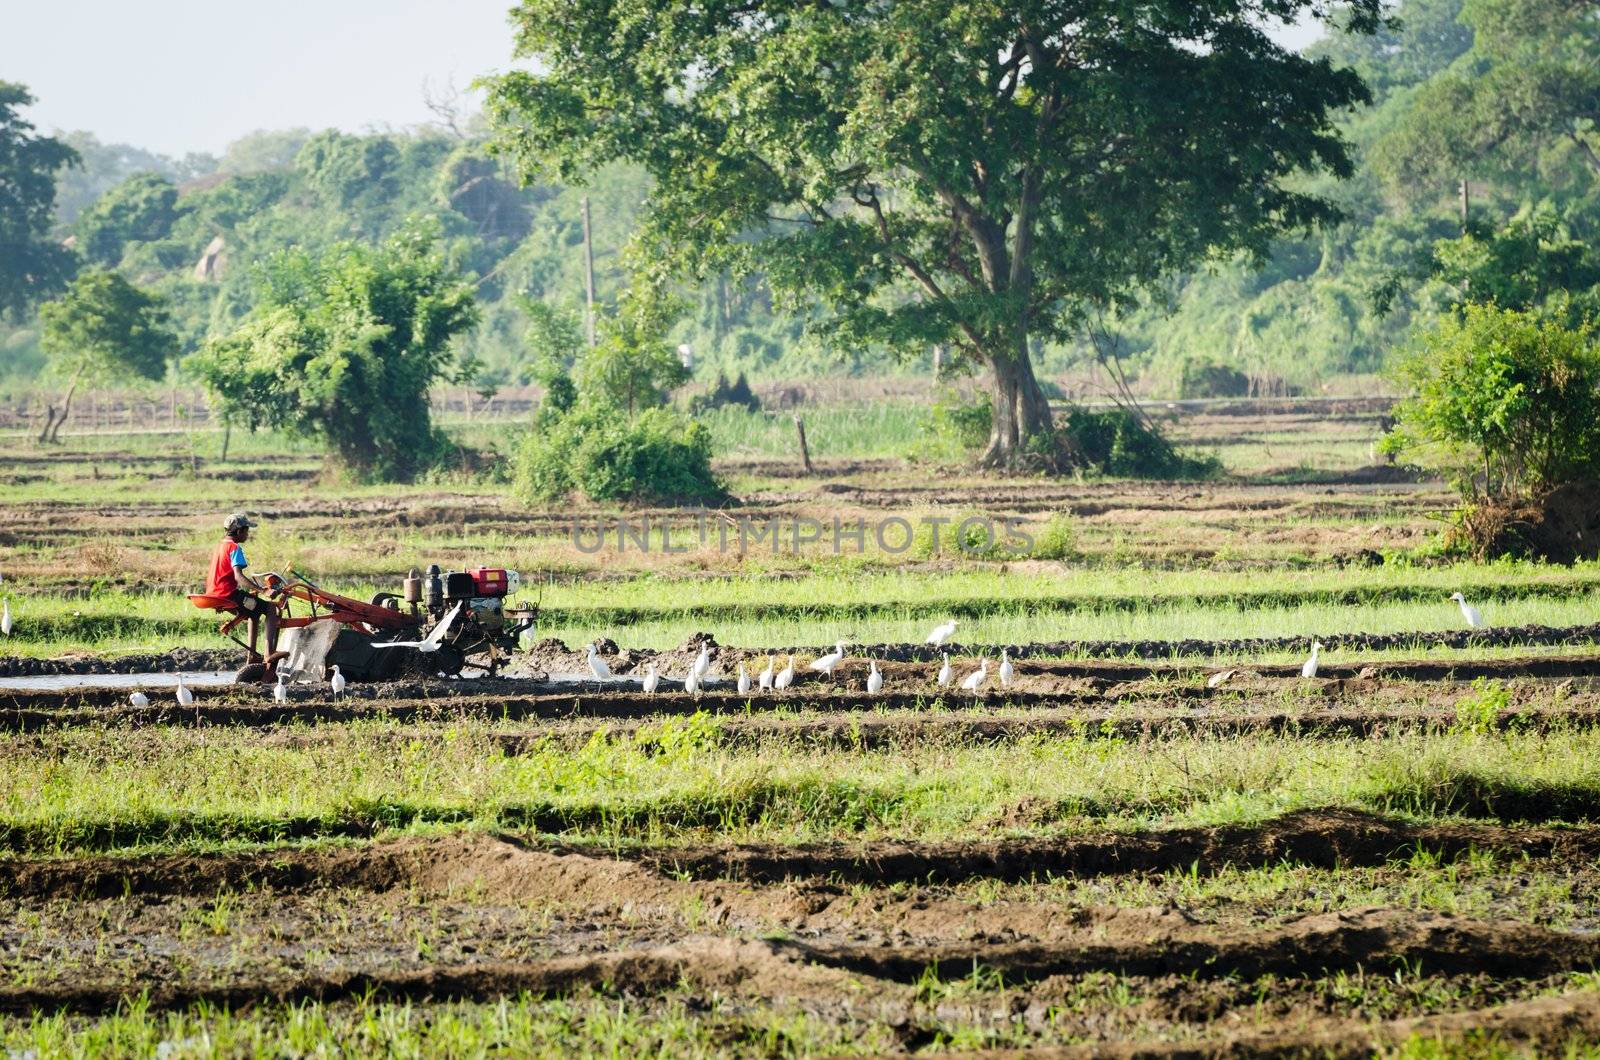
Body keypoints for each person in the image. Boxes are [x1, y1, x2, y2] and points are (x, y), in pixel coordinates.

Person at [207, 512, 282, 674]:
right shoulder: (234, 547)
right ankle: (270, 654)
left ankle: (253, 656)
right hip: (229, 594)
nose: (248, 534)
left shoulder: (220, 545)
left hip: (216, 592)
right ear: (239, 531)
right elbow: (238, 576)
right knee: (270, 609)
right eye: (247, 531)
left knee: (253, 612)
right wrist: (263, 590)